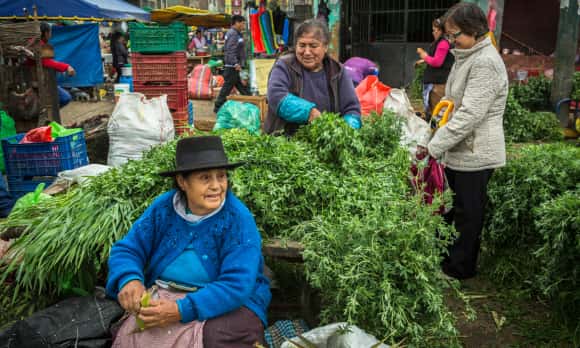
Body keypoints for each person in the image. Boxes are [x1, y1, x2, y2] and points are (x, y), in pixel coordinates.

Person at [106, 136, 271, 347]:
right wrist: (129, 278)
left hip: (229, 300)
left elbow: (237, 284)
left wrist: (181, 310)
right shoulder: (164, 208)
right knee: (132, 333)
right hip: (166, 292)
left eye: (221, 177)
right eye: (205, 178)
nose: (216, 186)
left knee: (217, 337)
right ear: (182, 182)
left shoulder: (237, 218)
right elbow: (128, 249)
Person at [420, 3, 508, 280]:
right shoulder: (466, 55)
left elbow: (470, 114)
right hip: (458, 148)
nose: (451, 40)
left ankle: (460, 270)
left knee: (467, 214)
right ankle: (445, 261)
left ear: (474, 30)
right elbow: (454, 103)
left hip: (476, 151)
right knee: (448, 209)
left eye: (455, 34)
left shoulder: (486, 63)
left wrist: (434, 146)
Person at [264, 19, 362, 136]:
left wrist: (345, 131)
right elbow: (276, 96)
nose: (307, 52)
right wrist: (309, 113)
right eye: (302, 45)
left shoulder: (338, 71)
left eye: (313, 46)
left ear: (325, 47)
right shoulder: (284, 65)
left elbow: (351, 109)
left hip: (324, 143)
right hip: (286, 143)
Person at [416, 17, 454, 121]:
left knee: (437, 113)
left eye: (435, 30)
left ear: (441, 31)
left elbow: (437, 62)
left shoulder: (443, 43)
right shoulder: (440, 42)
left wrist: (424, 56)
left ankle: (436, 133)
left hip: (438, 85)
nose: (433, 33)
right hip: (434, 82)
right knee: (432, 111)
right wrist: (424, 61)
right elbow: (438, 56)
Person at [214, 15, 251, 114]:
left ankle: (252, 102)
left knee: (242, 87)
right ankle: (217, 106)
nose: (244, 25)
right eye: (243, 23)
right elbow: (230, 50)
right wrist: (235, 63)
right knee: (227, 88)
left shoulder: (236, 33)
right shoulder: (233, 34)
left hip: (234, 66)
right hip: (232, 67)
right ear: (237, 23)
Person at [39, 22, 75, 107]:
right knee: (65, 98)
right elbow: (46, 62)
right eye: (50, 32)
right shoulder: (39, 45)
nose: (51, 35)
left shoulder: (39, 44)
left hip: (42, 80)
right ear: (46, 33)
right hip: (42, 81)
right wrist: (67, 67)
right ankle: (51, 114)